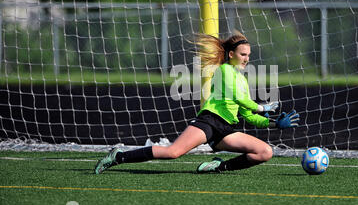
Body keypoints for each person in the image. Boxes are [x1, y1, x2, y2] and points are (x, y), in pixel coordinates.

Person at [94, 31, 299, 174]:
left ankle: (218, 167)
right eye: (243, 54)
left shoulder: (243, 80)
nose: (247, 59)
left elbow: (247, 115)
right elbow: (239, 99)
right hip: (209, 121)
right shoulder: (224, 71)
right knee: (173, 152)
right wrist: (262, 107)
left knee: (265, 152)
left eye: (248, 55)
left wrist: (273, 123)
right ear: (231, 54)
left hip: (226, 129)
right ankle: (119, 156)